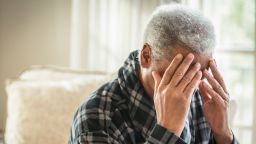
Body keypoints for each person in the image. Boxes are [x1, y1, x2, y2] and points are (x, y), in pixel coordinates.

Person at [69, 4, 239, 144]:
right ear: (146, 56)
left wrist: (224, 135)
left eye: (200, 74)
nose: (190, 86)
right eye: (179, 73)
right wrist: (167, 131)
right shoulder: (96, 119)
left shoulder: (203, 98)